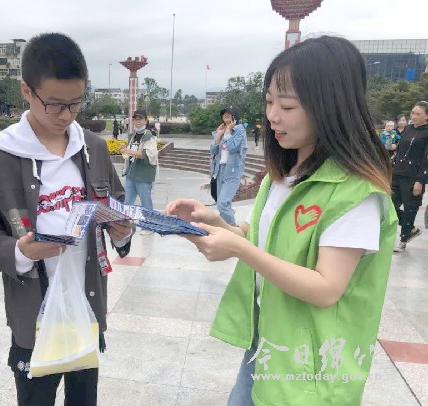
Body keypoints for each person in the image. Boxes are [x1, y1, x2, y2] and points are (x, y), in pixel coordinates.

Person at [166, 36, 396, 405]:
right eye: (269, 101)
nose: (272, 115)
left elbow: (326, 288)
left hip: (312, 364)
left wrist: (239, 248)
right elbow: (258, 237)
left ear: (331, 106)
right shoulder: (283, 176)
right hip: (271, 340)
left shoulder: (356, 192)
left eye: (287, 105)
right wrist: (214, 223)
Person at [0, 33, 133, 406]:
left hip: (85, 304)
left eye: (75, 103)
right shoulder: (1, 156)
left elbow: (117, 205)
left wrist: (122, 230)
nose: (66, 116)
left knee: (83, 398)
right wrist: (20, 251)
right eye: (55, 104)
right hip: (33, 312)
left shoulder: (92, 148)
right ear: (26, 91)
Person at [391, 101, 428, 252]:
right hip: (398, 173)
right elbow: (400, 151)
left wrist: (421, 180)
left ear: (426, 116)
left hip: (414, 177)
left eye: (418, 114)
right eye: (412, 112)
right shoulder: (407, 128)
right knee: (390, 206)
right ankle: (411, 229)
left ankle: (403, 239)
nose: (413, 116)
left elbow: (426, 159)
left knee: (410, 209)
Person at [119, 109, 159, 233]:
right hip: (131, 174)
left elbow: (146, 155)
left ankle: (149, 226)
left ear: (145, 121)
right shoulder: (132, 136)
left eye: (140, 119)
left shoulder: (149, 137)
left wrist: (129, 151)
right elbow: (129, 155)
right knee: (127, 202)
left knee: (145, 202)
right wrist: (124, 150)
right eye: (135, 119)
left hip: (143, 175)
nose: (137, 122)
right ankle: (124, 226)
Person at [210, 106, 247, 225]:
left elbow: (233, 147)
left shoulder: (239, 130)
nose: (226, 115)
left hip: (232, 171)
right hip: (220, 171)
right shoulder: (222, 130)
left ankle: (233, 228)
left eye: (229, 113)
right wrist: (218, 135)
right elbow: (213, 151)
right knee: (222, 204)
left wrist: (227, 133)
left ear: (234, 116)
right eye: (224, 113)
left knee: (223, 204)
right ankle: (227, 227)